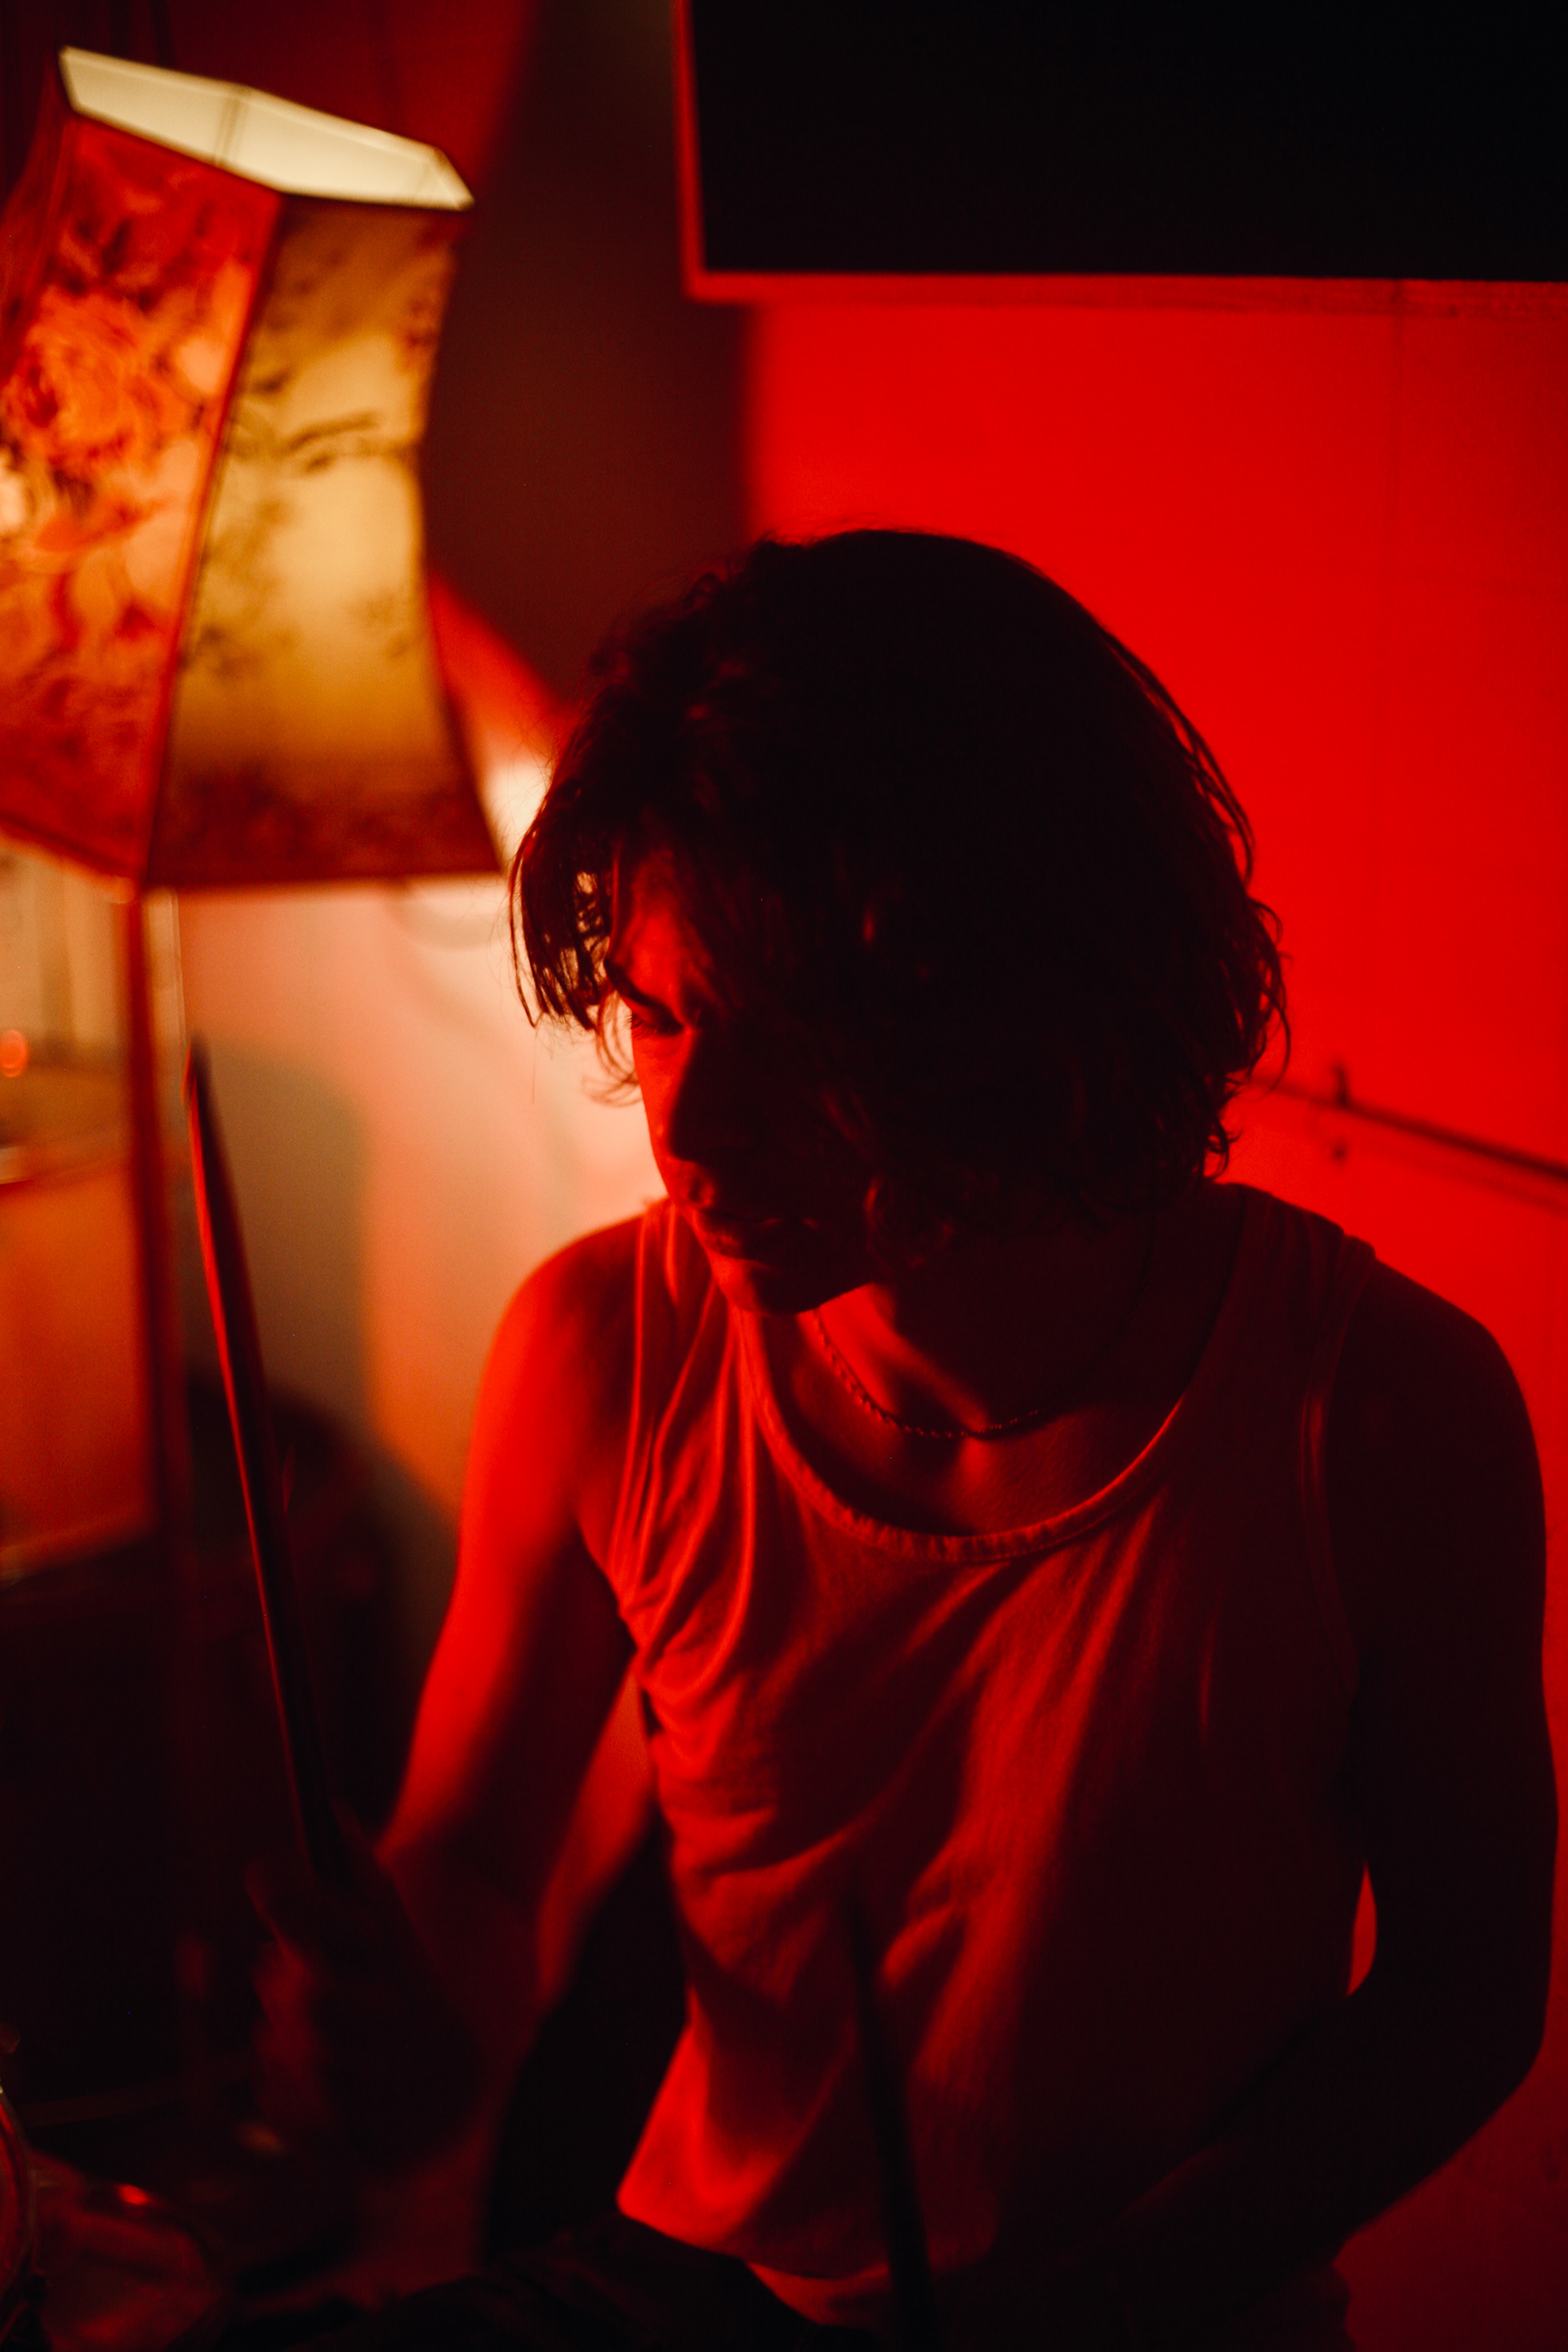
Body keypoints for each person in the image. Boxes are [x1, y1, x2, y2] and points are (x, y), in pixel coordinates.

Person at [252, 532, 1556, 2350]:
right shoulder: (605, 1347)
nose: (690, 1127)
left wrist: (1131, 2287)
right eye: (659, 1013)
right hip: (690, 2284)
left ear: (1014, 1014)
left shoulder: (1378, 1415)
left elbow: (1467, 1990)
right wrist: (407, 2027)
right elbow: (470, 1864)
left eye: (786, 1043)